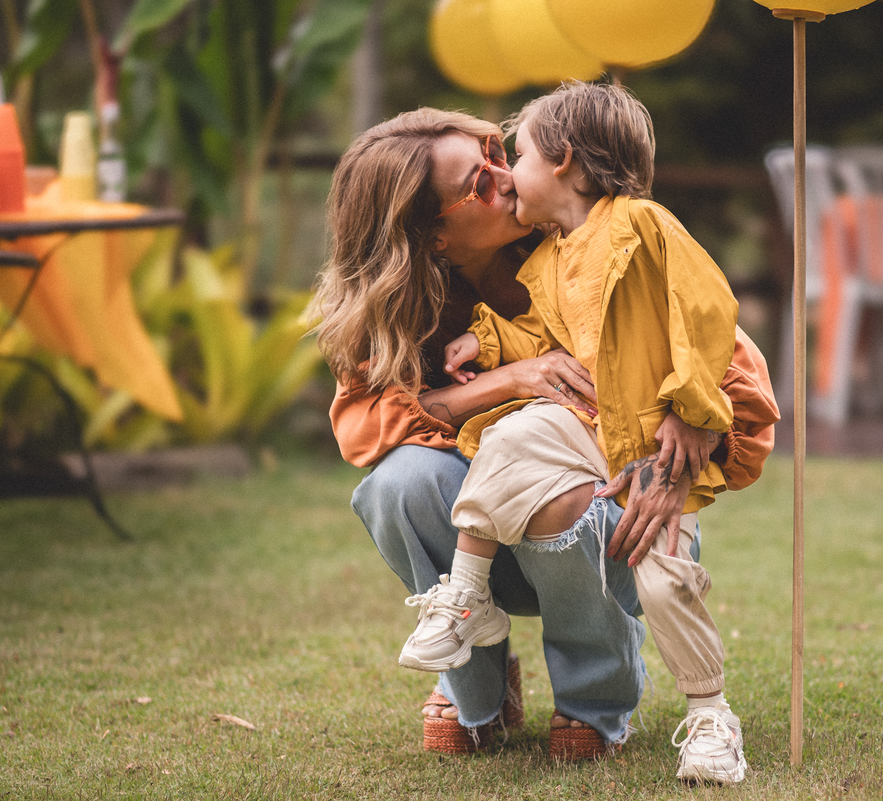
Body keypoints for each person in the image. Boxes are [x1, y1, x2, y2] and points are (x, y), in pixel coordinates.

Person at [312, 107, 779, 762]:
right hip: (487, 527)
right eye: (477, 182)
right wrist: (511, 380)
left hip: (611, 517)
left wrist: (685, 430)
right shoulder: (399, 304)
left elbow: (729, 366)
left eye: (499, 157)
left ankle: (595, 699)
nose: (505, 178)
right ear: (432, 238)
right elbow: (365, 423)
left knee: (559, 491)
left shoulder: (589, 236)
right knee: (400, 481)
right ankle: (474, 681)